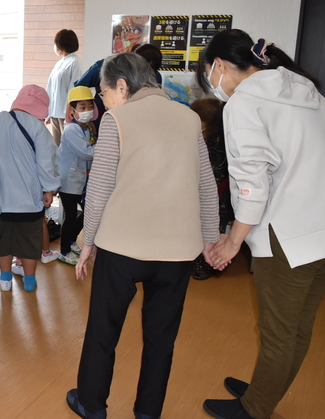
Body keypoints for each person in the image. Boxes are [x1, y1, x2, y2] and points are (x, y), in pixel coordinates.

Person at [196, 30, 325, 419]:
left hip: (289, 241)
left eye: (209, 75)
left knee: (279, 334)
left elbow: (252, 186)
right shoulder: (306, 91)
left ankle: (256, 408)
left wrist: (232, 242)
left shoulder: (245, 105)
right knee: (297, 329)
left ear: (221, 66)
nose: (214, 85)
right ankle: (266, 388)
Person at [65, 53, 220, 419]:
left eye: (103, 94)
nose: (102, 103)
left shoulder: (117, 119)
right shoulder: (189, 117)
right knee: (161, 339)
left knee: (104, 330)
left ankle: (92, 404)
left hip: (122, 248)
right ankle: (148, 411)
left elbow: (99, 189)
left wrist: (87, 243)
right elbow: (206, 186)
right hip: (178, 253)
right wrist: (211, 239)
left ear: (122, 86)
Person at [0, 85, 60, 292]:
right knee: (29, 244)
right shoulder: (37, 127)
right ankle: (30, 281)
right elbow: (46, 163)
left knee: (3, 241)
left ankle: (5, 280)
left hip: (0, 197)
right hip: (29, 200)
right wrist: (49, 189)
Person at [189, 98, 234, 280]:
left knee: (211, 230)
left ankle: (206, 263)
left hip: (217, 199)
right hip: (212, 198)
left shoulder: (217, 144)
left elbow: (214, 177)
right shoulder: (208, 138)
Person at [56, 86, 98, 266]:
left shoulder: (86, 128)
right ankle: (64, 251)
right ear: (72, 111)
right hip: (68, 181)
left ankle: (72, 240)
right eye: (82, 107)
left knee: (86, 212)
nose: (87, 111)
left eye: (89, 106)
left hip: (80, 180)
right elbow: (87, 153)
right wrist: (107, 146)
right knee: (71, 216)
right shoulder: (71, 130)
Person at [46, 29, 82, 146]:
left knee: (66, 146)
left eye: (56, 43)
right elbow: (50, 87)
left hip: (64, 113)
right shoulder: (59, 63)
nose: (55, 46)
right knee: (55, 145)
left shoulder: (75, 62)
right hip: (54, 112)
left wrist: (69, 112)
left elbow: (73, 89)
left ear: (62, 44)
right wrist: (47, 111)